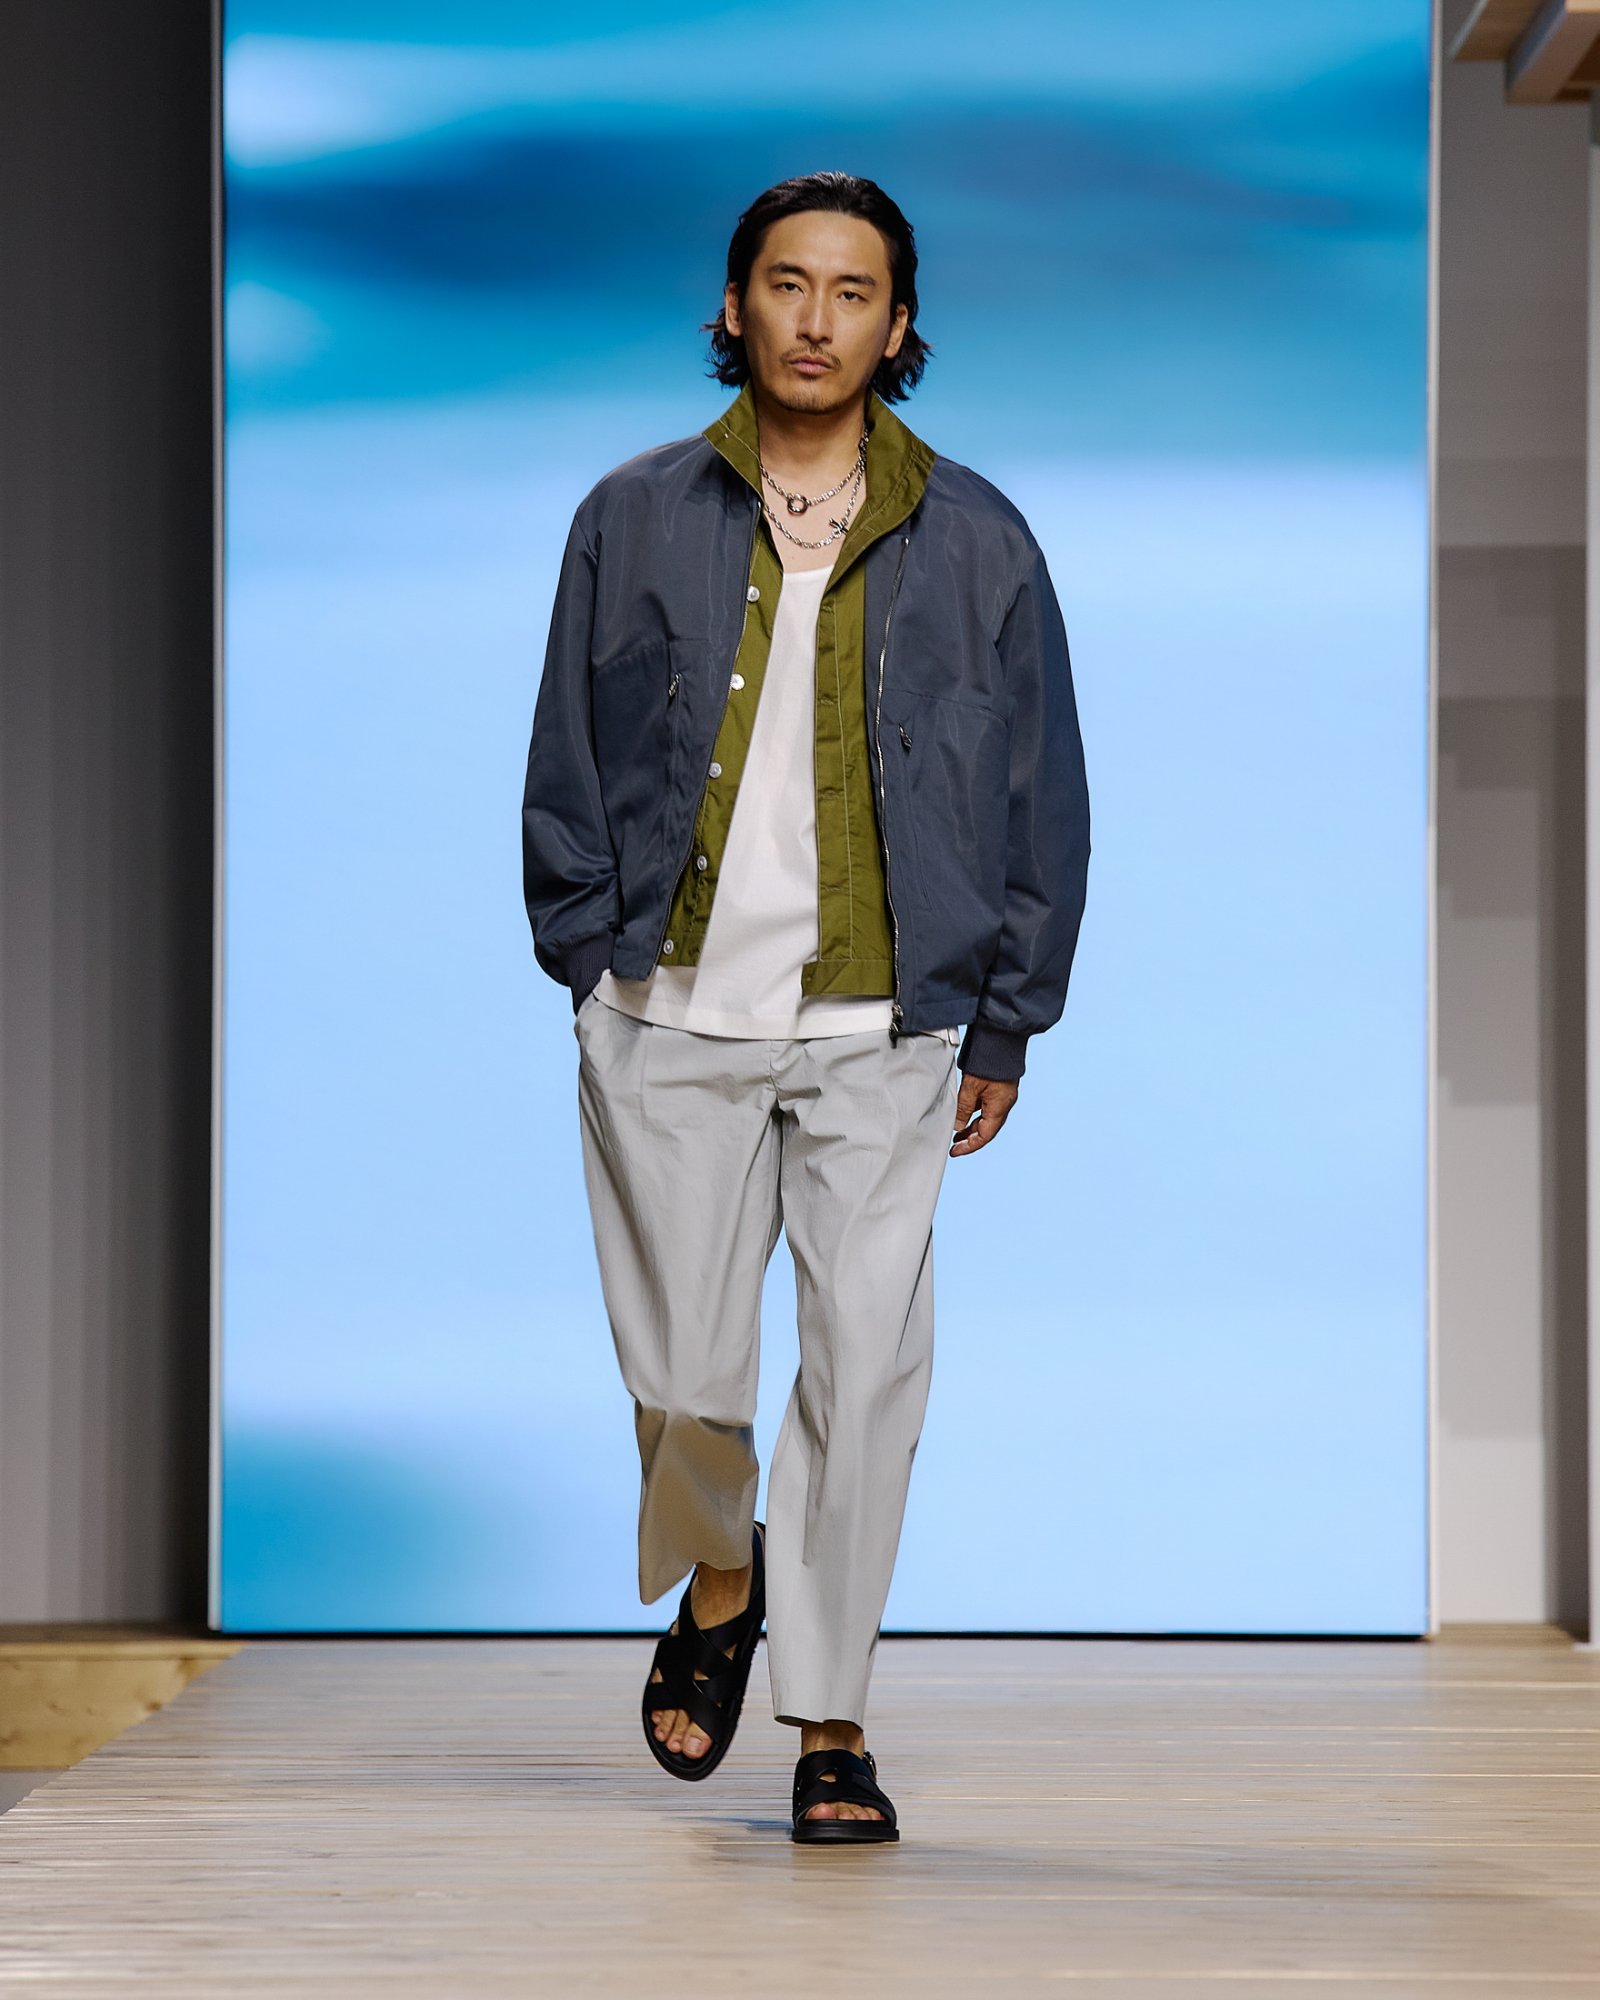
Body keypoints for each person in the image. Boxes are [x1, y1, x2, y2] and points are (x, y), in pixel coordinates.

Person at [521, 170, 1090, 1845]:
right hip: (667, 1002)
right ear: (735, 306)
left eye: (853, 292)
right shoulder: (630, 516)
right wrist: (583, 951)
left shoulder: (981, 539)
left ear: (899, 327)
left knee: (863, 1373)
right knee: (682, 1374)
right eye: (787, 283)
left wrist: (1008, 1019)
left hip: (884, 1026)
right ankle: (723, 1577)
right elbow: (565, 748)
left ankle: (831, 1722)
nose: (816, 319)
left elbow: (1041, 792)